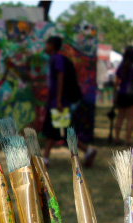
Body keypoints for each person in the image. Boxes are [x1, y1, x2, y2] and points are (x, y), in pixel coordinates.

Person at [41, 36, 97, 167]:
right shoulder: (53, 59)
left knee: (58, 130)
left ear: (52, 45)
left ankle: (87, 150)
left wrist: (59, 100)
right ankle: (46, 158)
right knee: (56, 130)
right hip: (55, 101)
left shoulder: (57, 59)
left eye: (47, 44)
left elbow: (61, 78)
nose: (45, 46)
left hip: (59, 103)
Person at [113, 46, 133, 146]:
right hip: (132, 94)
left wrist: (116, 91)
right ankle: (127, 140)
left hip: (122, 93)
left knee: (120, 117)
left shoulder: (122, 65)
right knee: (130, 118)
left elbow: (115, 80)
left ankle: (116, 138)